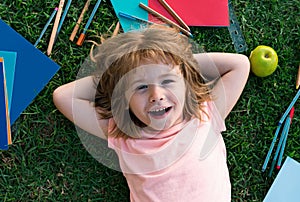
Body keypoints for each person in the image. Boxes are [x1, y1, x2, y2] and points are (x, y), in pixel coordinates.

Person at [53, 26, 250, 201]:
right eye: (141, 87)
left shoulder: (204, 115)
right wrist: (116, 75)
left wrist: (176, 61)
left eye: (167, 81)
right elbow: (64, 96)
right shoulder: (125, 135)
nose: (156, 95)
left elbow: (239, 65)